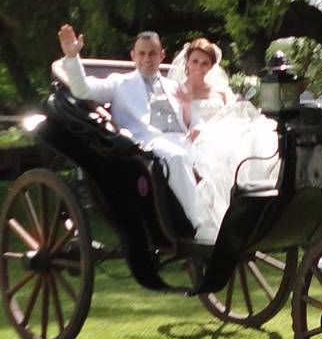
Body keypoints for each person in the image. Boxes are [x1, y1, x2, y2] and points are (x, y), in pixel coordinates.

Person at [55, 25, 219, 243]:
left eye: (152, 53)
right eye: (141, 53)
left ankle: (223, 220)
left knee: (217, 158)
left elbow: (191, 116)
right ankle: (199, 226)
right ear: (133, 56)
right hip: (147, 141)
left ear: (162, 56)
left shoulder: (174, 86)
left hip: (182, 138)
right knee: (177, 157)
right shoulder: (119, 83)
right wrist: (72, 55)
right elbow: (82, 90)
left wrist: (198, 126)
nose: (147, 59)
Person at [170, 38, 280, 232]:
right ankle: (222, 218)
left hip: (225, 133)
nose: (199, 67)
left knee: (260, 133)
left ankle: (255, 203)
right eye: (195, 61)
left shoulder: (220, 91)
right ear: (187, 61)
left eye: (205, 63)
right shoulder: (178, 90)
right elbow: (180, 123)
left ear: (212, 66)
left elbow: (235, 111)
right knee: (216, 161)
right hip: (196, 138)